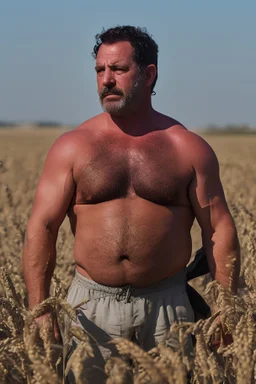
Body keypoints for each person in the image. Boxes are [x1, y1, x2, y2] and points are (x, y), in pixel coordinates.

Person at [22, 26, 240, 382]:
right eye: (99, 70)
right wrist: (40, 309)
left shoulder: (186, 148)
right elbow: (41, 228)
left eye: (118, 69)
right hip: (91, 309)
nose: (106, 80)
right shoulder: (73, 147)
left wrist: (226, 307)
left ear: (149, 73)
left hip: (167, 305)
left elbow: (218, 228)